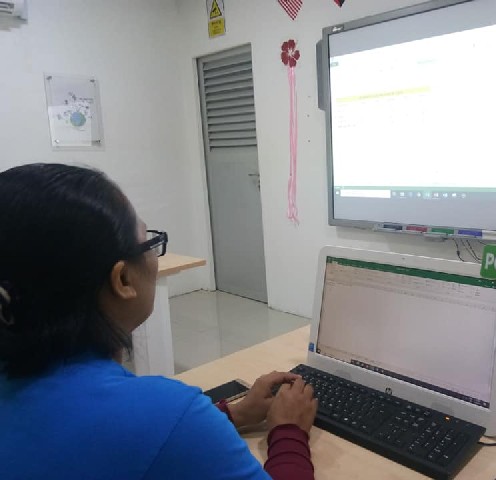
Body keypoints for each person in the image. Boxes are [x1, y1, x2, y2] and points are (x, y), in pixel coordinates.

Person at [0, 163, 318, 479]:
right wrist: (288, 431)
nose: (155, 256)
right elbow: (153, 430)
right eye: (150, 243)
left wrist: (233, 414)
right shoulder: (163, 412)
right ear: (122, 279)